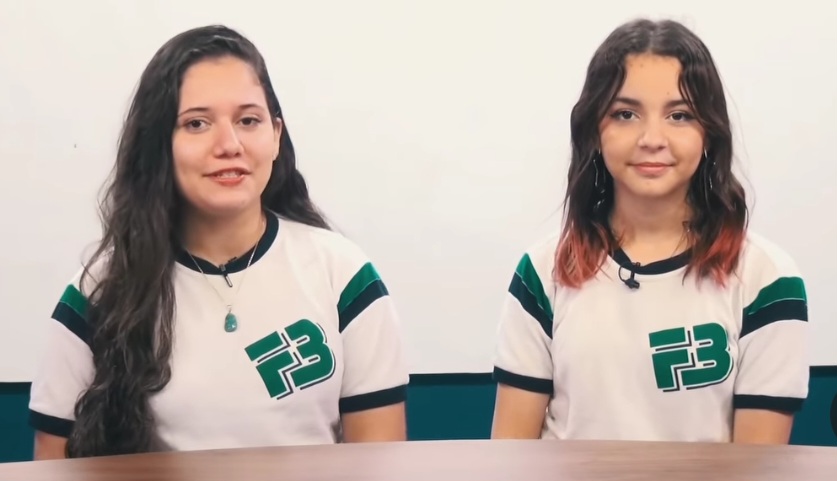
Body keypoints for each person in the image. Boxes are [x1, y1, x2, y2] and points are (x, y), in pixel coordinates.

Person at [28, 25, 410, 459]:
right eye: (197, 123)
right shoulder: (98, 293)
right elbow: (52, 468)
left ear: (276, 135)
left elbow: (380, 464)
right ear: (160, 144)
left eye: (248, 121)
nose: (229, 144)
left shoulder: (343, 275)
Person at [490, 18, 809, 444]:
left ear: (709, 133)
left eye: (680, 115)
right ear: (594, 130)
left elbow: (757, 465)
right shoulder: (543, 272)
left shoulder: (767, 280)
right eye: (625, 114)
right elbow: (510, 457)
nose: (652, 138)